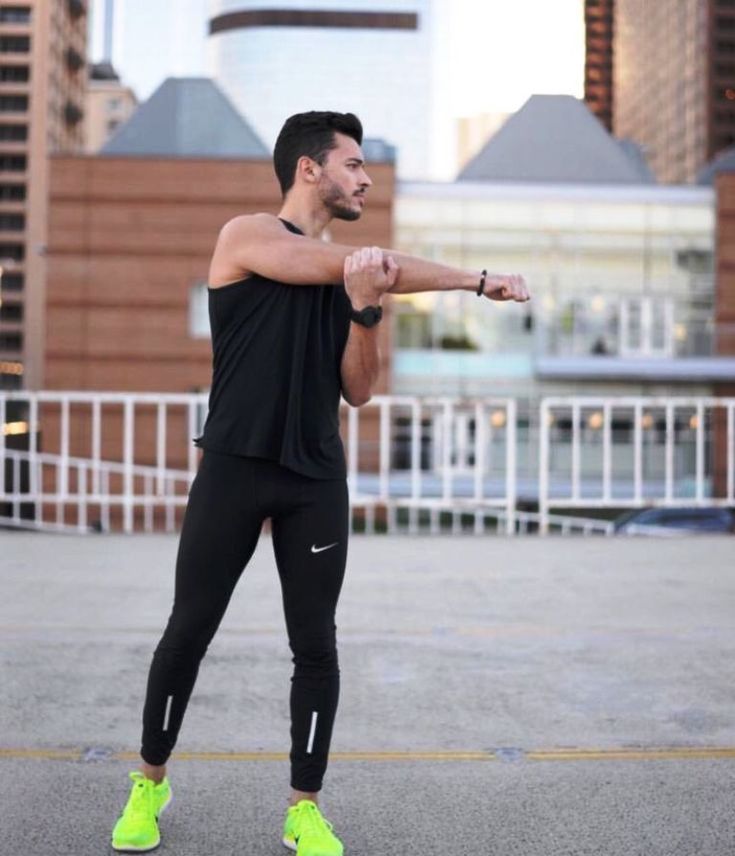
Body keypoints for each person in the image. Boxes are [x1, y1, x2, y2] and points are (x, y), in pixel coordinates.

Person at [110, 110, 530, 856]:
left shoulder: (353, 275)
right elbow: (349, 265)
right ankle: (148, 781)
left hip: (314, 477)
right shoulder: (246, 236)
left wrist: (366, 313)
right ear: (309, 169)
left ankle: (304, 807)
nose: (364, 178)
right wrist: (478, 280)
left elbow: (358, 390)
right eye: (353, 164)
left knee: (315, 646)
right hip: (234, 467)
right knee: (187, 632)